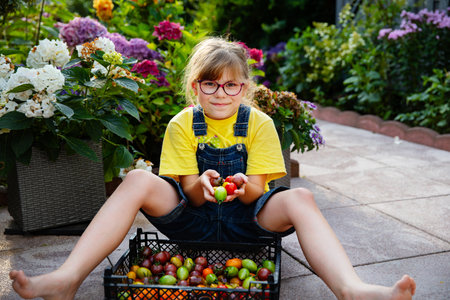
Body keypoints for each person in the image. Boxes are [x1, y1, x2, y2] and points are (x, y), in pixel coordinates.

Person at [10, 37, 416, 300]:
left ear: (245, 87)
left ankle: (350, 288)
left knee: (301, 196)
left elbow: (259, 189)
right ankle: (67, 278)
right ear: (195, 87)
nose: (220, 93)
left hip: (248, 222)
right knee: (135, 178)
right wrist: (200, 186)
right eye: (210, 84)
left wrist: (244, 185)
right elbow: (186, 189)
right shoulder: (182, 124)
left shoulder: (259, 124)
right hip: (193, 222)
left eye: (231, 85)